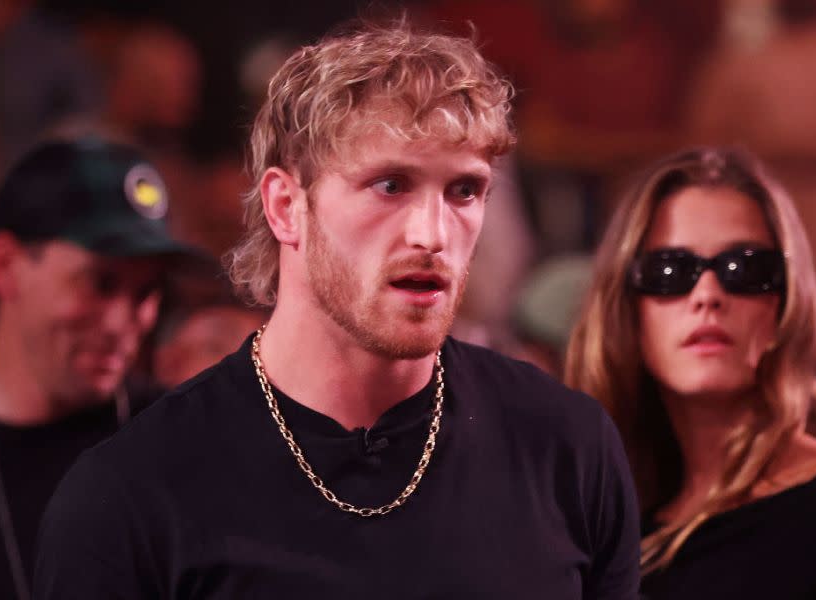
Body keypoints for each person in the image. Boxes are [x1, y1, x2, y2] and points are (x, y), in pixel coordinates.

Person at [34, 21, 640, 598]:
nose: (432, 234)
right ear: (285, 205)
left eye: (464, 190)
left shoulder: (567, 445)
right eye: (390, 185)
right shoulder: (133, 495)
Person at [564, 147, 816, 599]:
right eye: (669, 270)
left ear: (786, 303)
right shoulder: (605, 523)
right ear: (627, 309)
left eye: (744, 268)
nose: (707, 294)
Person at [0, 136, 197, 600]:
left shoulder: (187, 441)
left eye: (145, 293)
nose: (123, 322)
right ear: (5, 266)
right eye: (101, 282)